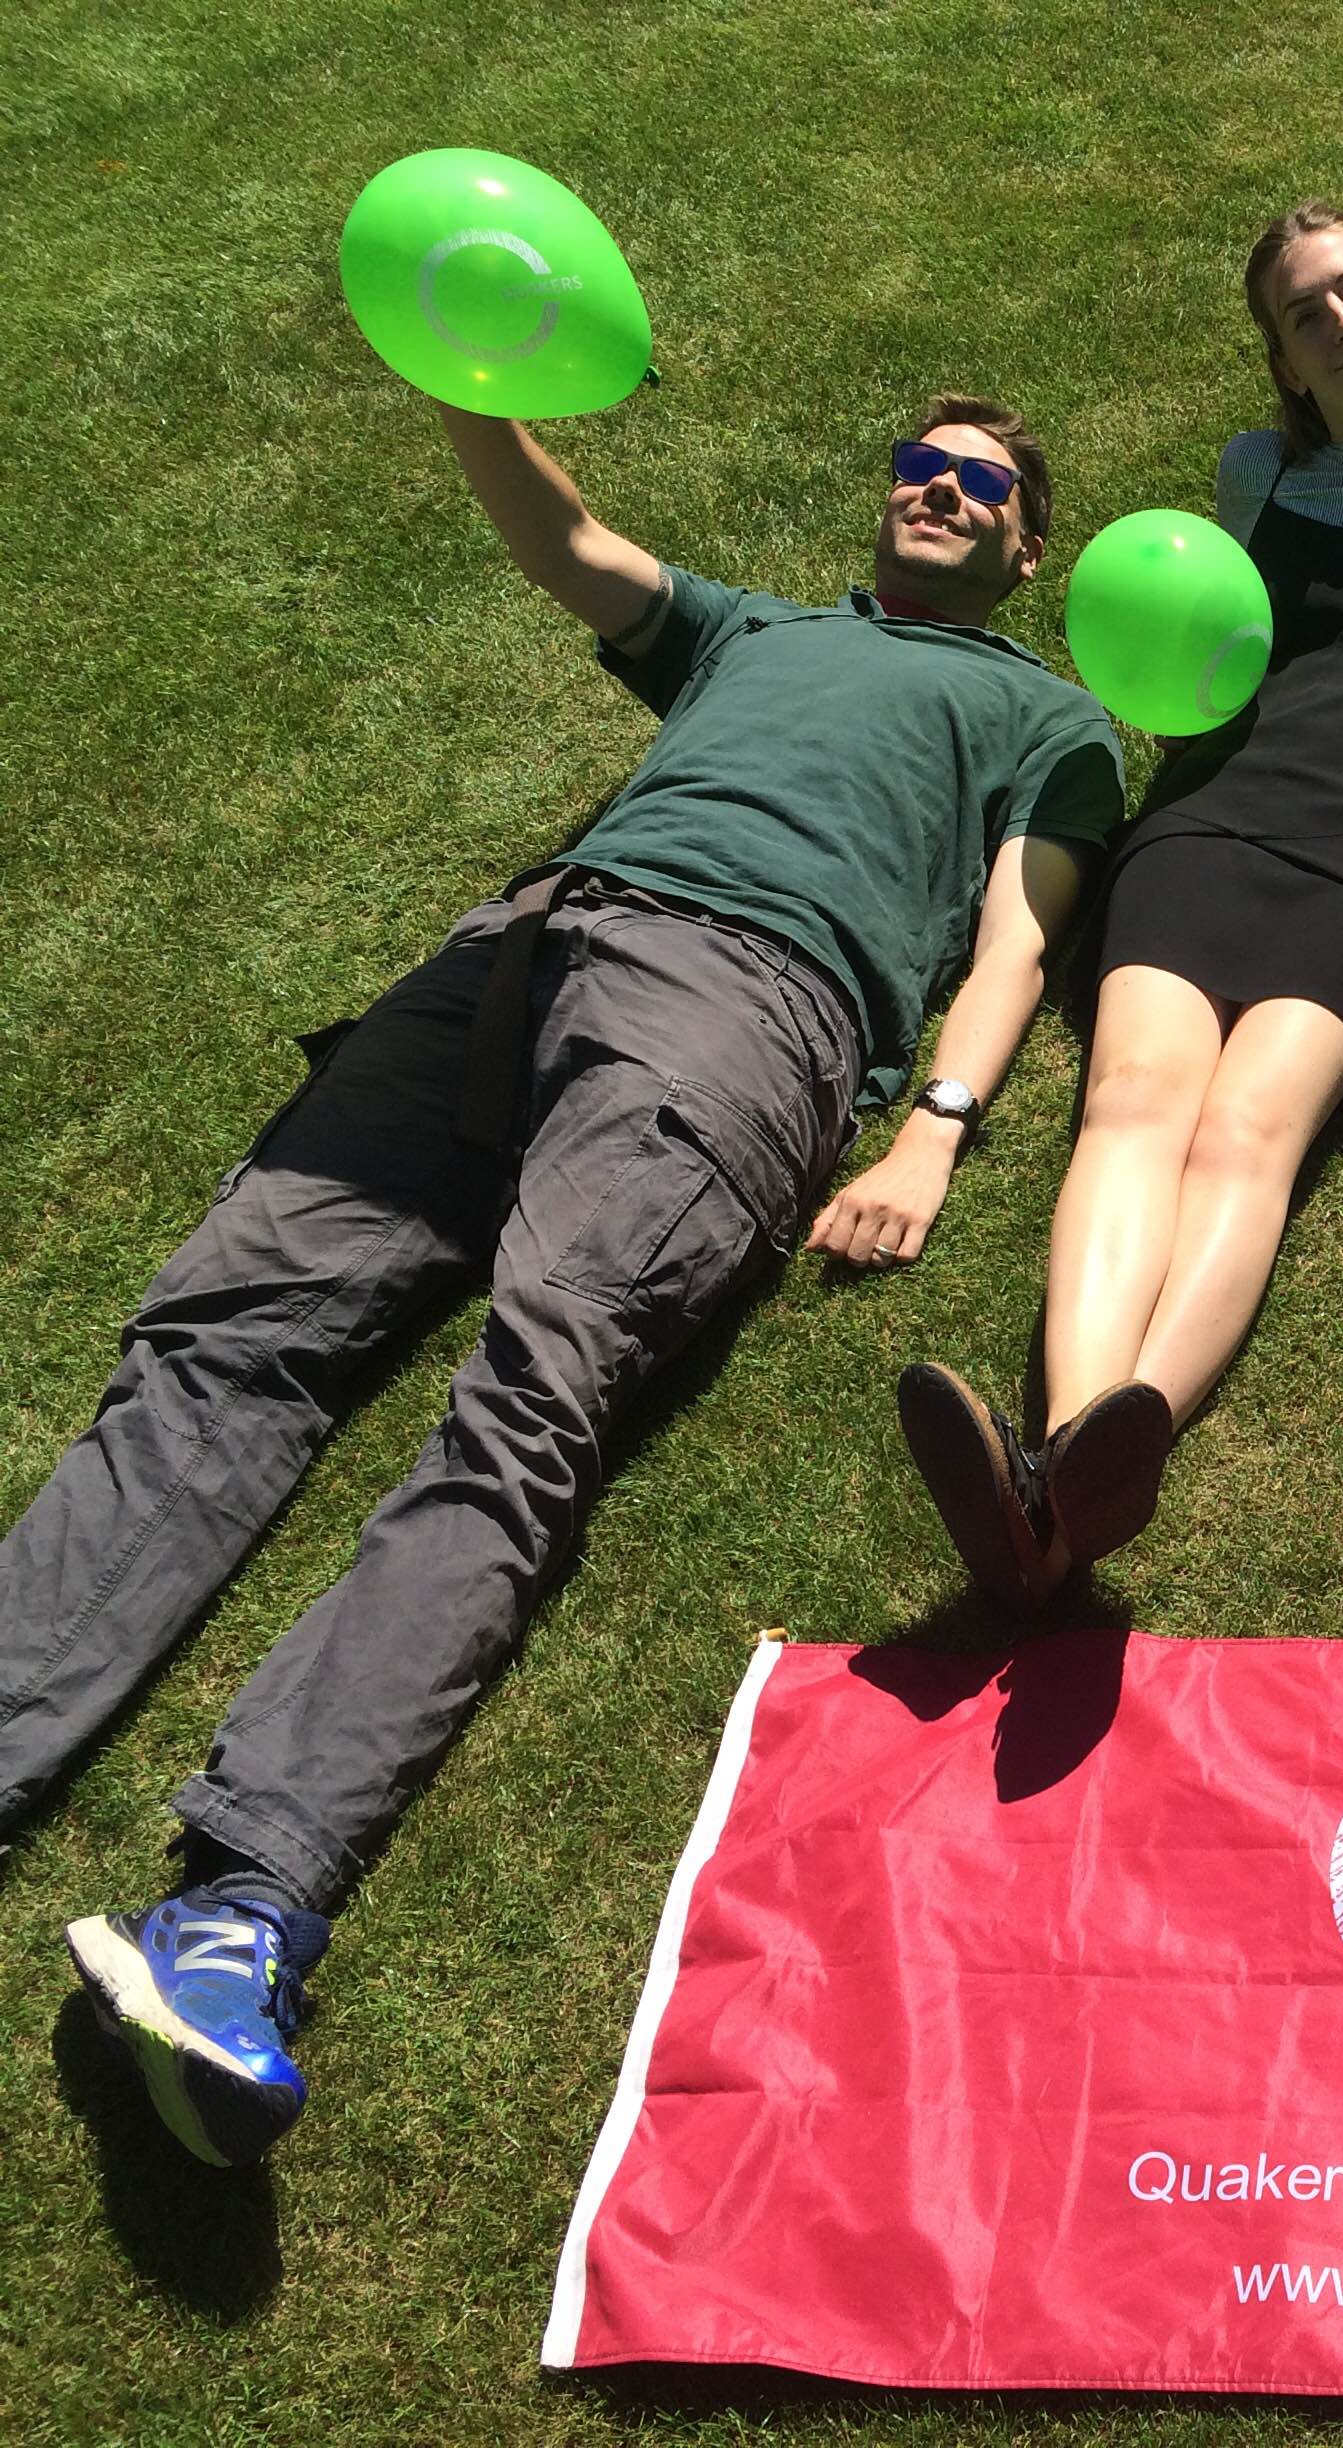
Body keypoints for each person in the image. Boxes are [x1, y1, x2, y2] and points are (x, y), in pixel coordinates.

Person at [5, 390, 1123, 2164]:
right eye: (917, 458)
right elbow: (578, 552)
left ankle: (238, 1918)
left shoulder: (1049, 716)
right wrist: (473, 394)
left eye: (983, 479)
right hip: (519, 949)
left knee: (524, 1408)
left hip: (752, 1015)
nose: (940, 483)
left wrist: (936, 1131)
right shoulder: (755, 629)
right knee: (220, 1339)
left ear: (1028, 544)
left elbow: (1021, 936)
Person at [897, 204, 1343, 1606]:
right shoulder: (1260, 474)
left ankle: (1079, 1471)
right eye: (1303, 314)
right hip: (1214, 817)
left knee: (1249, 1131)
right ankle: (1065, 1463)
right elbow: (1216, 644)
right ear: (1284, 359)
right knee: (1132, 1109)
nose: (1341, 322)